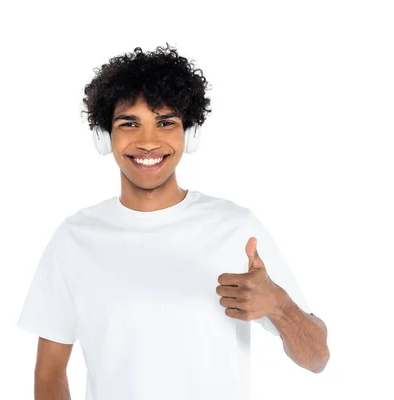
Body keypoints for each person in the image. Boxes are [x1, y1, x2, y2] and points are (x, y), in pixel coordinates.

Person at [16, 43, 329, 400]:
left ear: (189, 134)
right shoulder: (74, 239)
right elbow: (49, 372)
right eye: (129, 123)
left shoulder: (236, 228)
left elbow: (317, 358)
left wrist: (279, 305)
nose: (148, 142)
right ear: (104, 137)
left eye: (165, 122)